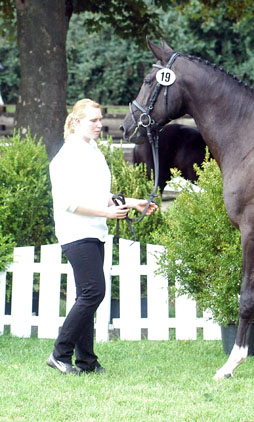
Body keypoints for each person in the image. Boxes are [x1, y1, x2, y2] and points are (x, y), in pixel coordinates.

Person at [46, 98, 157, 375]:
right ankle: (60, 354)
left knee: (88, 294)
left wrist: (132, 202)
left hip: (94, 232)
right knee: (93, 292)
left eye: (100, 119)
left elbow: (96, 195)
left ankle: (86, 362)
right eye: (93, 120)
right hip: (76, 233)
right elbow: (68, 203)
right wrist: (107, 214)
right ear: (77, 122)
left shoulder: (91, 150)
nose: (99, 124)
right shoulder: (67, 156)